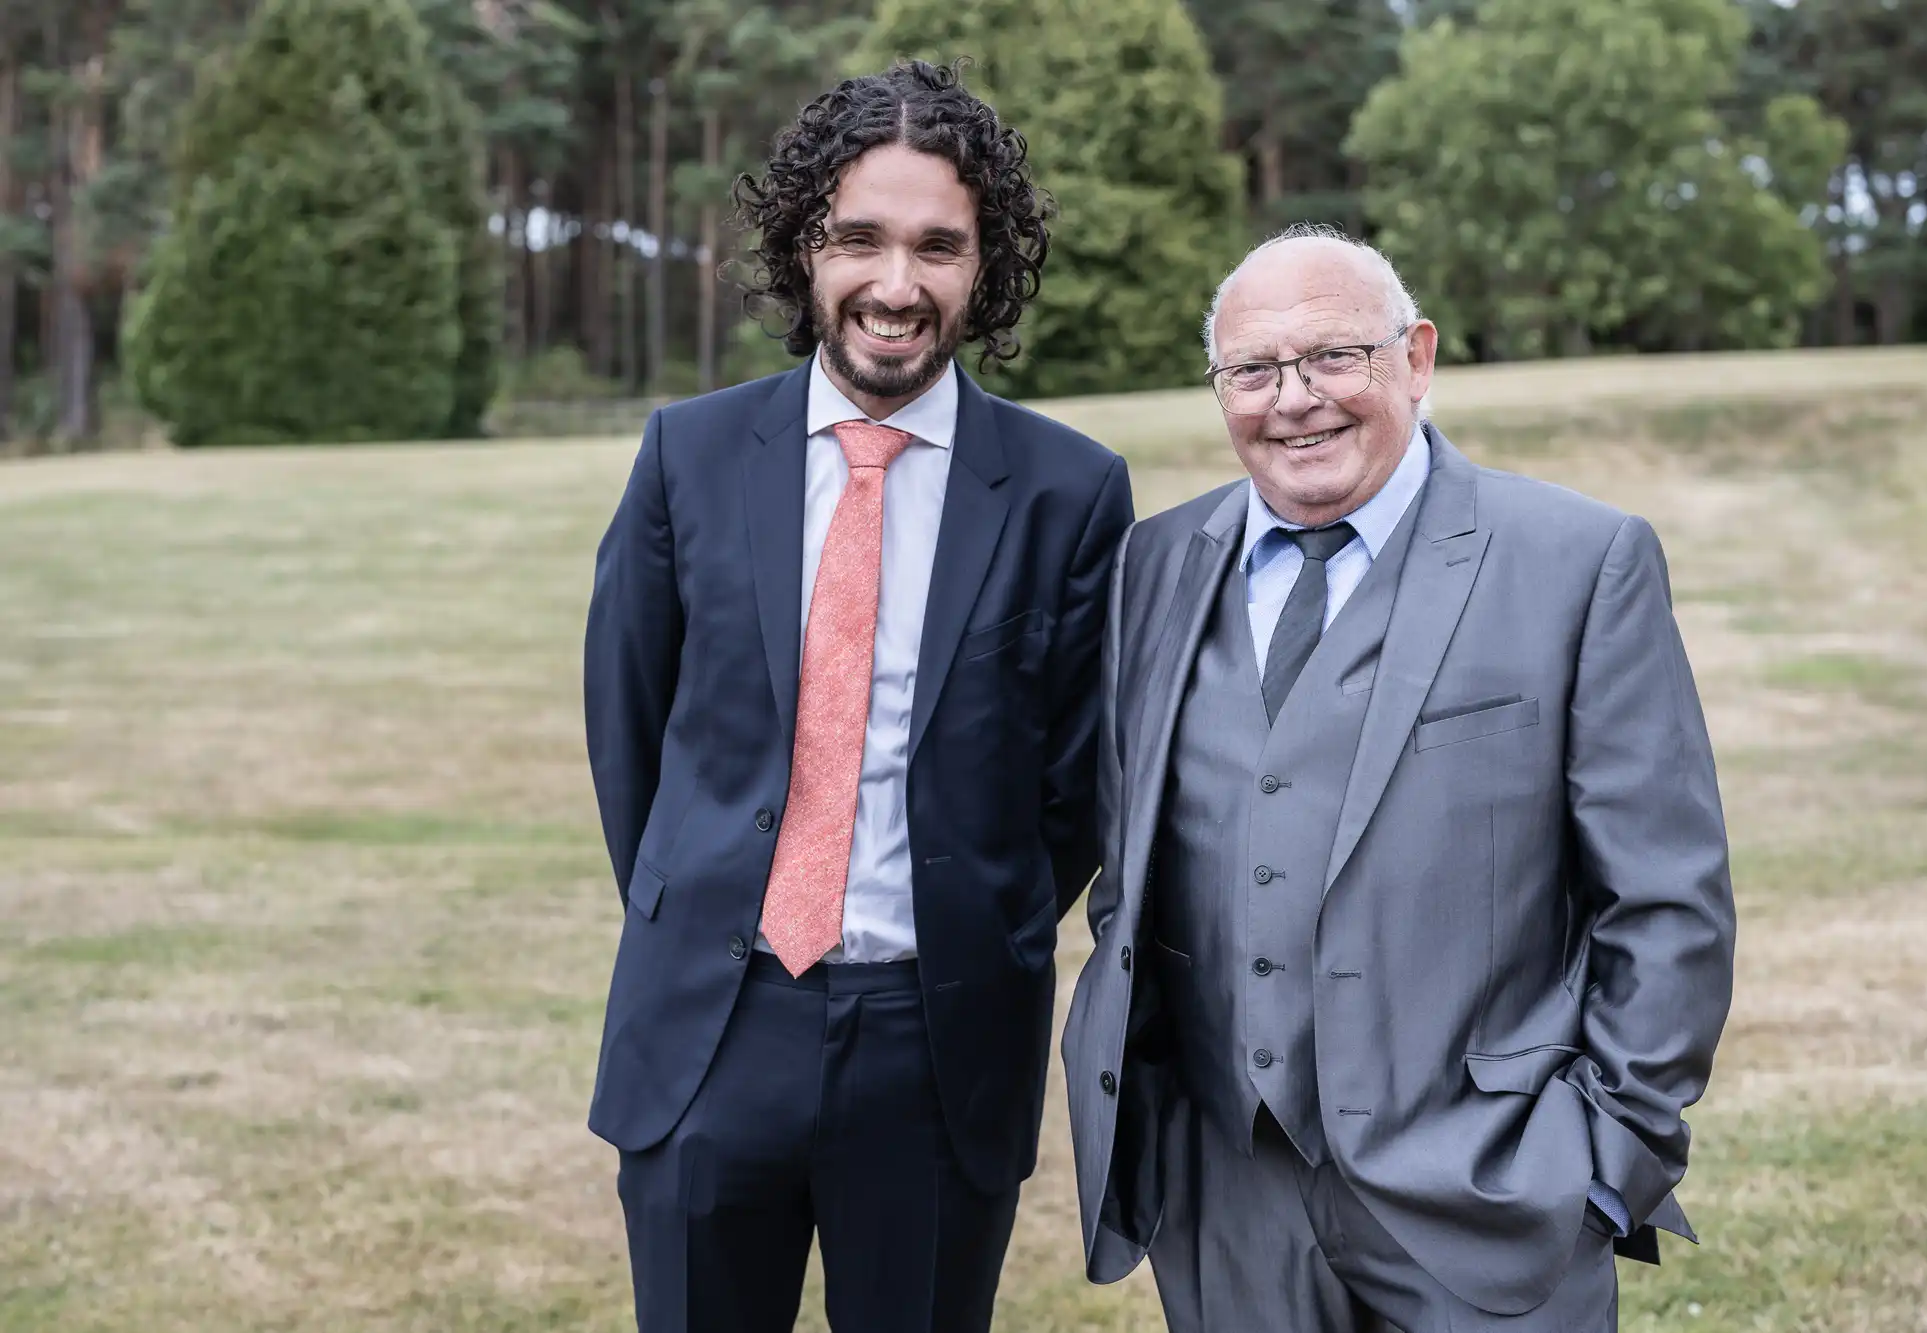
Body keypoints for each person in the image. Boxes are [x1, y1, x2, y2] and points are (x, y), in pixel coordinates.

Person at [1062, 224, 1735, 1332]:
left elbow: (1666, 903)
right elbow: (1131, 859)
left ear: (1413, 358)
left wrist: (1601, 1165)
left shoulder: (1576, 560)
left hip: (1489, 1192)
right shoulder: (1156, 563)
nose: (1293, 400)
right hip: (1227, 1193)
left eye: (1333, 357)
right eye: (1252, 371)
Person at [583, 59, 1133, 1333]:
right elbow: (633, 728)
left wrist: (973, 920)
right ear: (801, 247)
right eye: (859, 239)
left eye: (937, 246)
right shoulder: (689, 455)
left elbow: (1075, 781)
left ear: (983, 266)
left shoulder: (1068, 491)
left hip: (936, 1047)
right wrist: (705, 903)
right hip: (709, 1028)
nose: (896, 284)